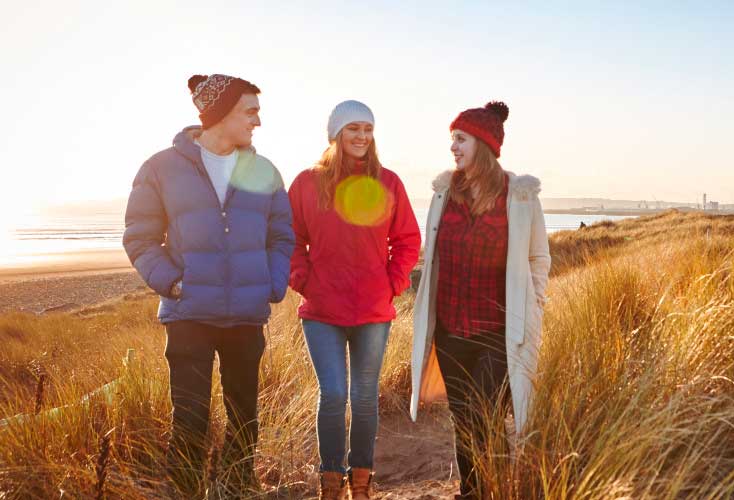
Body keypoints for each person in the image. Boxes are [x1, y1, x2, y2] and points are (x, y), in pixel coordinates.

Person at [123, 73, 293, 494]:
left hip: (246, 317)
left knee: (244, 416)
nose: (257, 121)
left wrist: (272, 284)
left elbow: (281, 234)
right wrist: (172, 283)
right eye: (250, 112)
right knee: (191, 418)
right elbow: (140, 237)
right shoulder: (160, 168)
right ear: (220, 114)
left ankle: (238, 489)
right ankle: (184, 491)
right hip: (189, 314)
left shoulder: (265, 171)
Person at [410, 101, 551, 498]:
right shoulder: (443, 194)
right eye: (452, 139)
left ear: (483, 145)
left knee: (487, 416)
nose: (453, 148)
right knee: (464, 419)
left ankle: (496, 489)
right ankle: (472, 490)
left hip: (498, 330)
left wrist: (533, 304)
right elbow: (431, 255)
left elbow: (539, 257)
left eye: (460, 139)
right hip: (451, 330)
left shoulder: (519, 196)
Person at [288, 100, 421, 500]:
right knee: (333, 395)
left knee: (364, 397)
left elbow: (408, 240)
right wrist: (303, 280)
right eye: (353, 129)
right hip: (322, 312)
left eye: (367, 129)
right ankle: (330, 482)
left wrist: (392, 283)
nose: (362, 136)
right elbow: (291, 239)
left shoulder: (389, 182)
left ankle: (361, 482)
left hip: (373, 311)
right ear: (336, 135)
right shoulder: (307, 183)